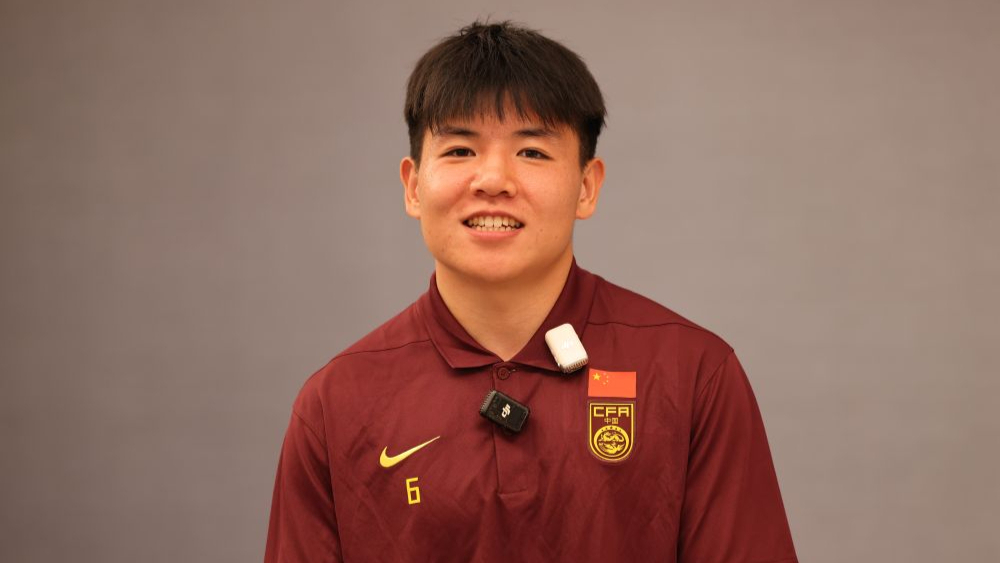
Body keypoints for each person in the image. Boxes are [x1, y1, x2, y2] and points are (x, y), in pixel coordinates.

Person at [264, 20, 798, 563]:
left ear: (586, 186)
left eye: (532, 153)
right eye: (460, 150)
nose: (494, 180)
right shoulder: (337, 403)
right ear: (413, 186)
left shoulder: (692, 374)